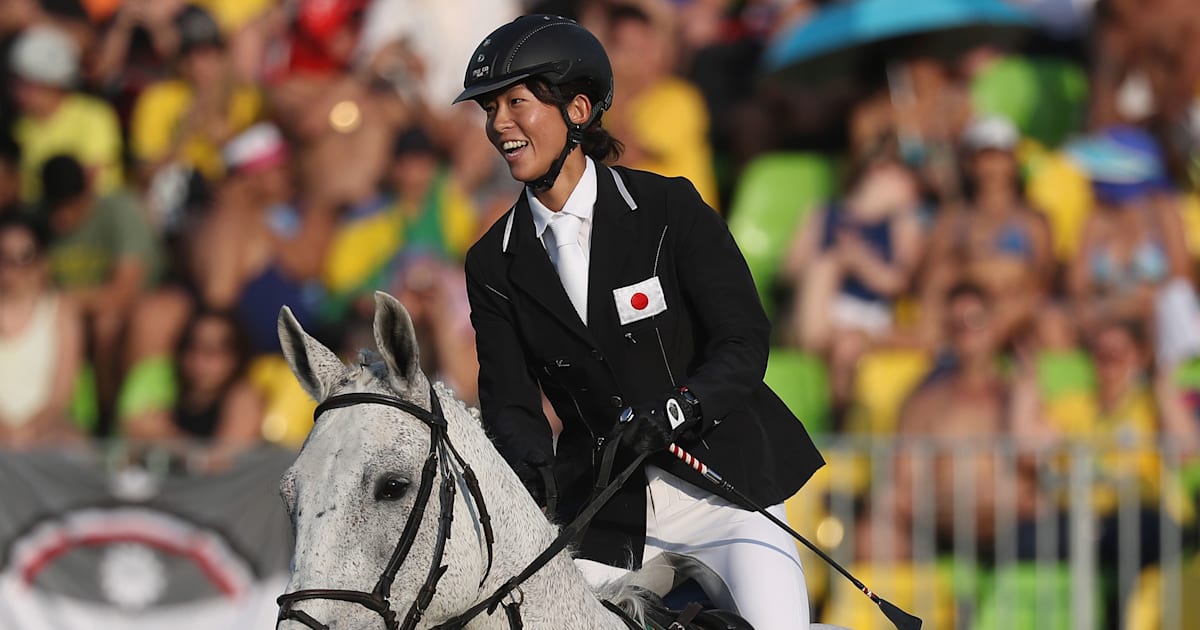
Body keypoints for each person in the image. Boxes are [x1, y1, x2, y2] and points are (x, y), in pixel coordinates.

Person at [458, 15, 823, 629]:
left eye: (516, 103)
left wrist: (679, 409)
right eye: (490, 109)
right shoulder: (491, 261)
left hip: (725, 487)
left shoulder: (668, 208)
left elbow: (742, 340)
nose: (499, 126)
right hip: (606, 510)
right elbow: (510, 406)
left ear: (577, 109)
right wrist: (535, 480)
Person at [0, 212, 85, 447]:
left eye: (24, 256)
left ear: (42, 261)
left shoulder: (61, 312)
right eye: (3, 256)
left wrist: (29, 430)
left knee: (73, 444)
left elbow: (60, 396)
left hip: (46, 430)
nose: (12, 267)